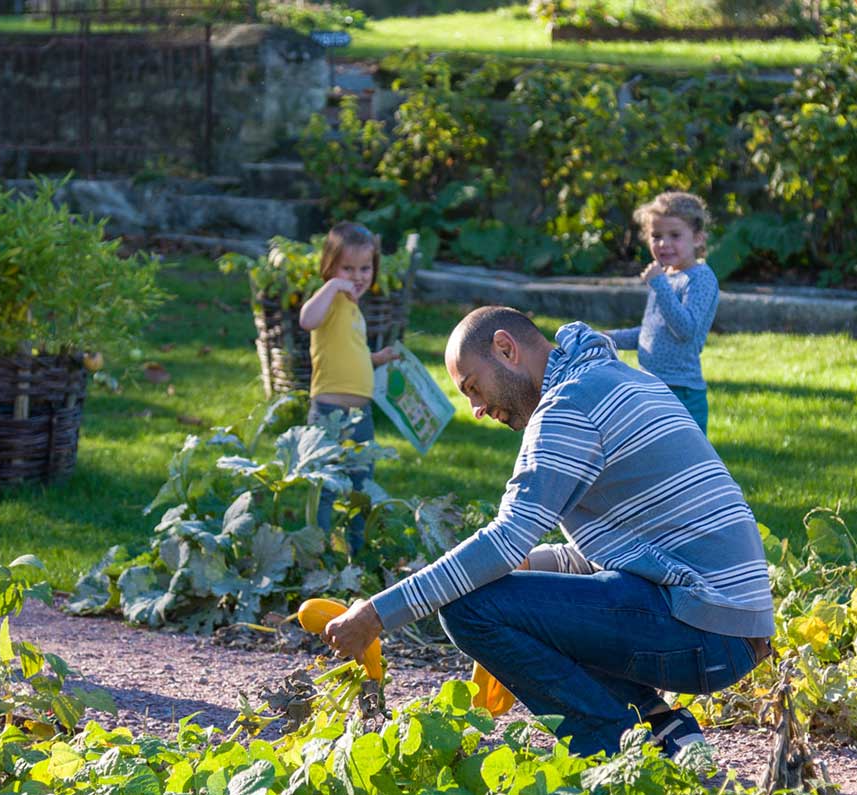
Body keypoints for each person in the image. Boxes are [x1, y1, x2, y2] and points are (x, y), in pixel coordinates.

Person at [324, 307, 774, 756]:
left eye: (473, 388)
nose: (477, 410)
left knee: (468, 608)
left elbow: (504, 541)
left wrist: (376, 615)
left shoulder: (569, 407)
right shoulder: (612, 380)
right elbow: (622, 551)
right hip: (727, 626)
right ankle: (659, 727)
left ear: (505, 348)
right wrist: (525, 567)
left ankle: (620, 750)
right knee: (500, 593)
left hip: (705, 624)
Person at [297, 222, 401, 548]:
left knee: (361, 486)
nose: (357, 276)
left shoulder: (354, 310)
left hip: (361, 415)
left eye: (365, 268)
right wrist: (331, 286)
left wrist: (376, 358)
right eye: (347, 268)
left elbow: (349, 351)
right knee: (325, 486)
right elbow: (306, 320)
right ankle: (317, 550)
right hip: (329, 411)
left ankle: (356, 550)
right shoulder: (328, 301)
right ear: (330, 267)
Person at [605, 191, 720, 434]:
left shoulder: (701, 279)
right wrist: (608, 337)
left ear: (698, 238)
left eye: (675, 236)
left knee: (684, 463)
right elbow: (652, 333)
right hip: (650, 386)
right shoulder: (666, 277)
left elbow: (685, 330)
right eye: (656, 236)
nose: (663, 244)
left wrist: (659, 285)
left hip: (681, 392)